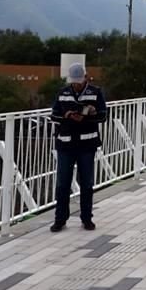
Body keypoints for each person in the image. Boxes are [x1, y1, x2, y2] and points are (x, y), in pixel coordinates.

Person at [50, 63, 107, 232]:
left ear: (86, 77)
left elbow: (103, 116)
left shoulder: (95, 93)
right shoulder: (63, 93)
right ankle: (60, 219)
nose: (76, 84)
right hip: (66, 144)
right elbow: (54, 115)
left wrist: (89, 115)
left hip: (86, 144)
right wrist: (67, 115)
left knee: (87, 183)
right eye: (74, 82)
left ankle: (87, 218)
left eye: (79, 81)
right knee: (62, 184)